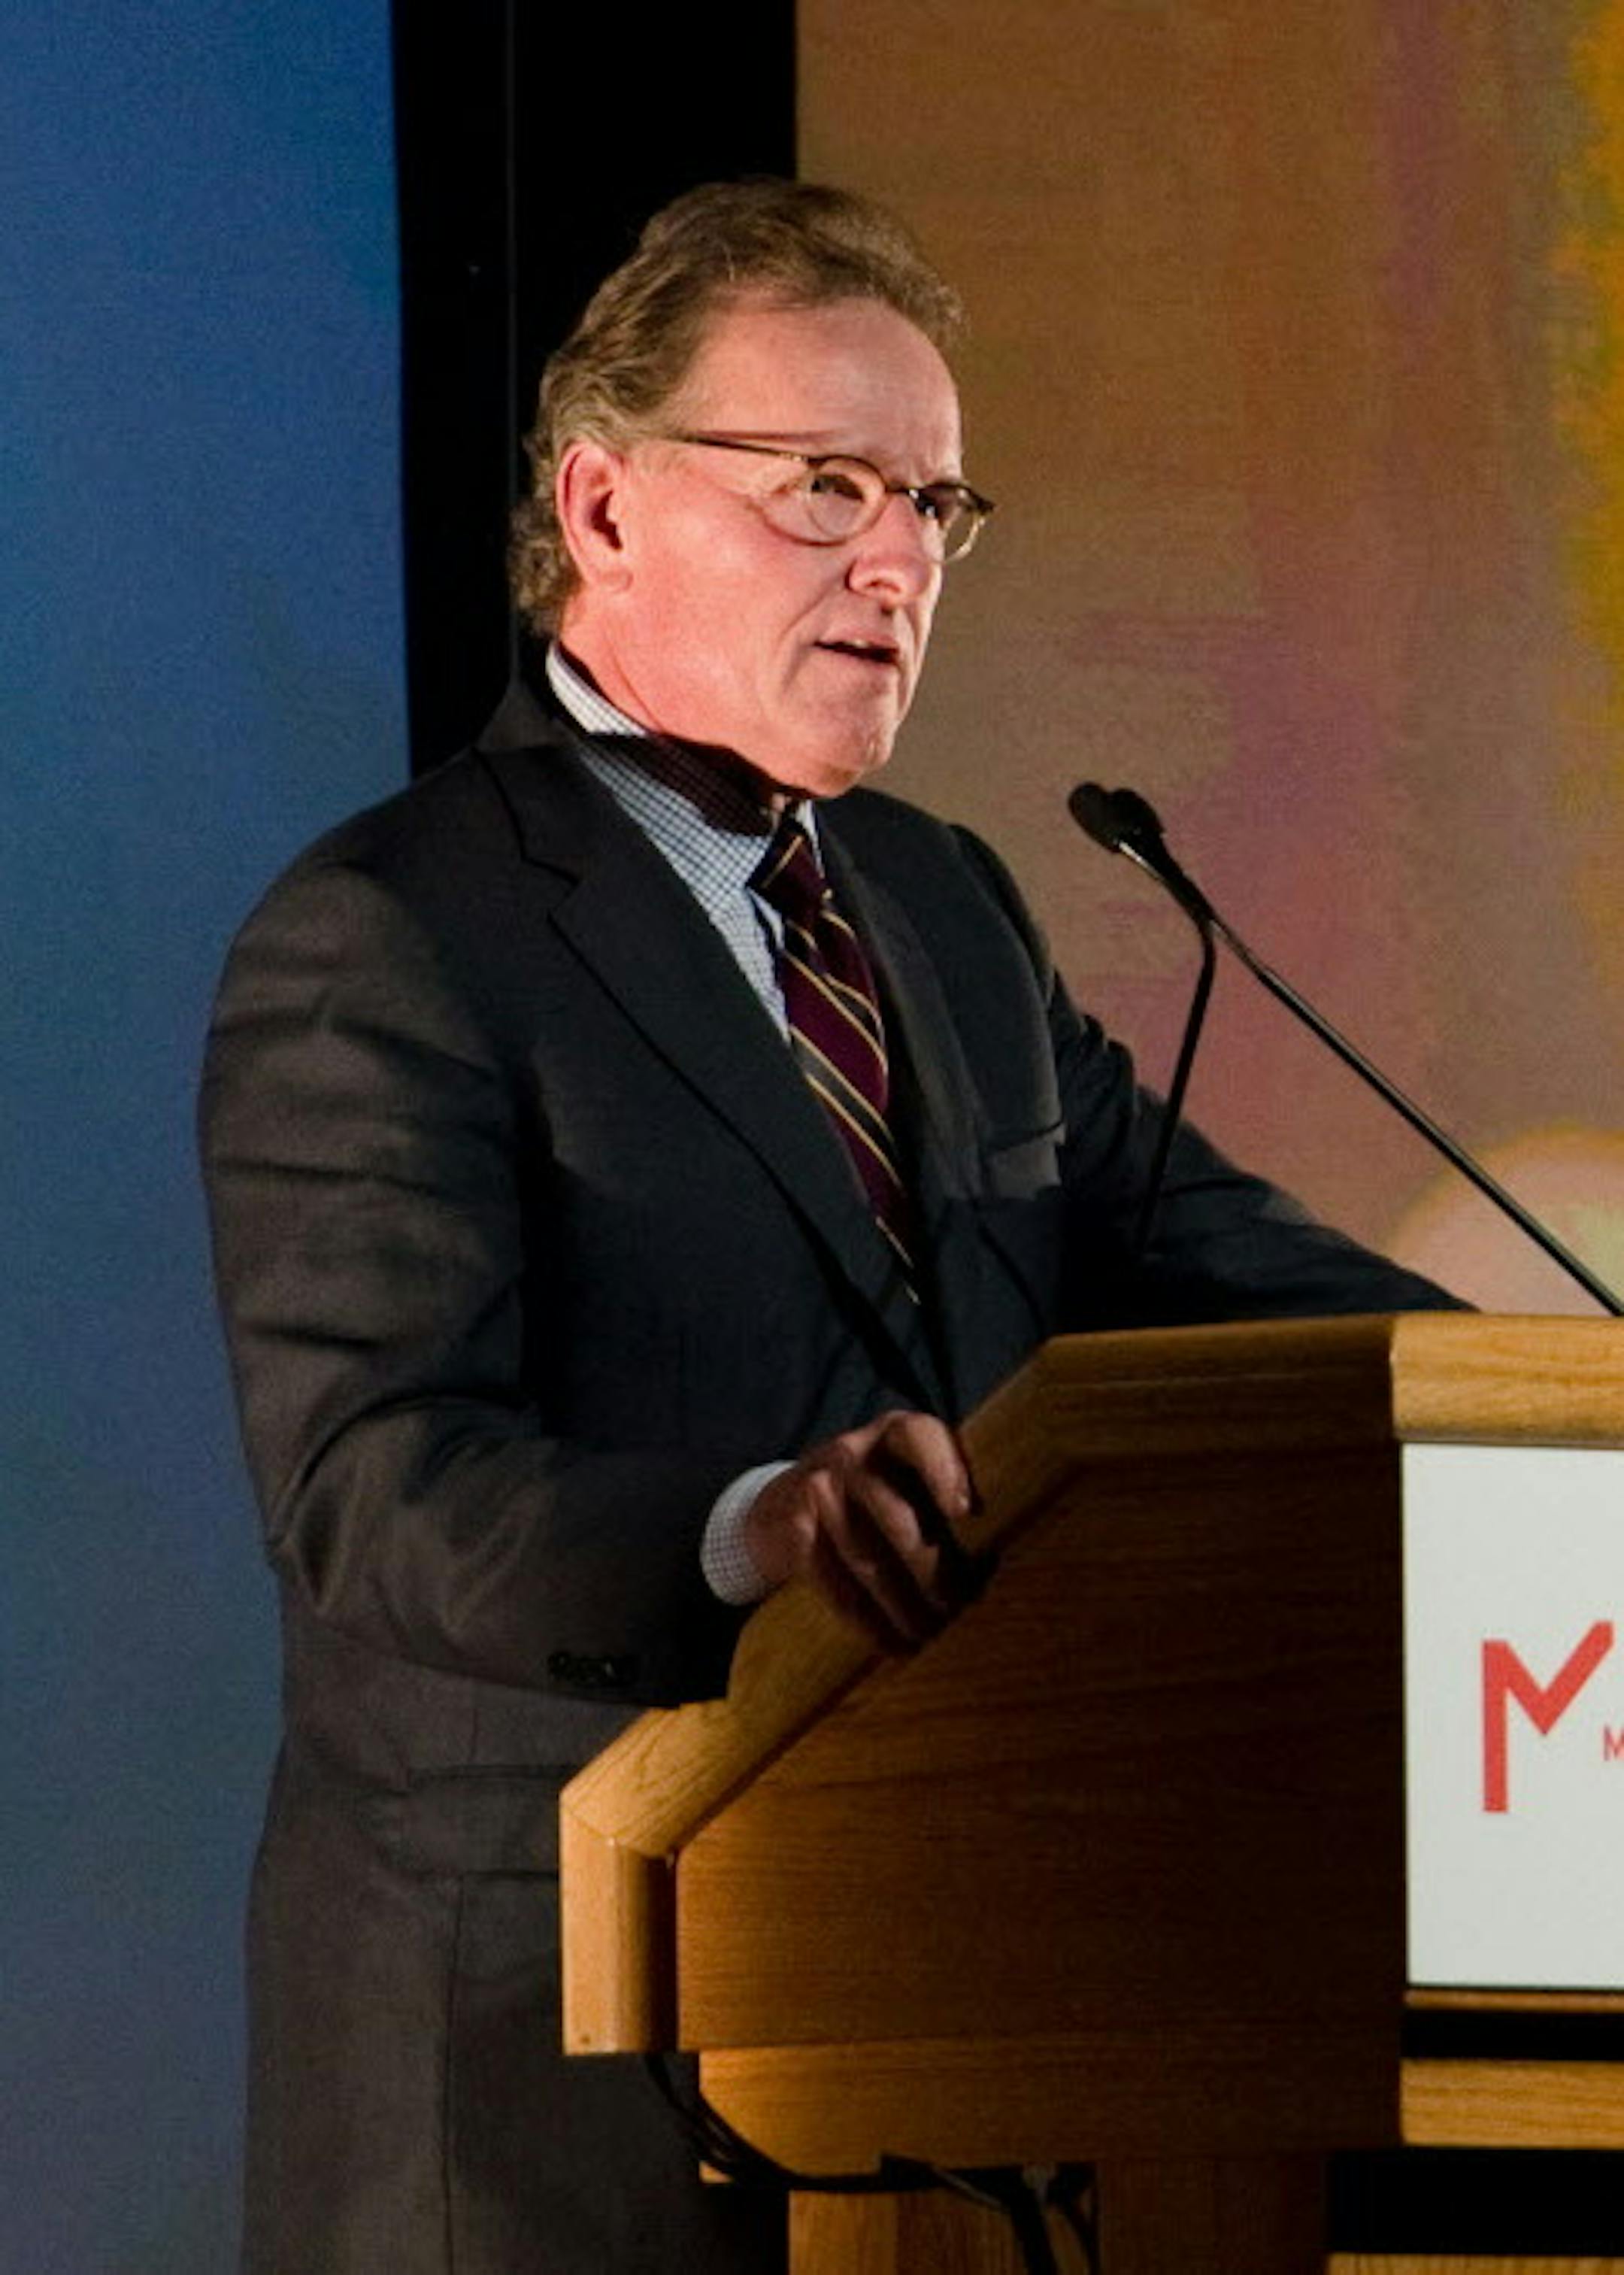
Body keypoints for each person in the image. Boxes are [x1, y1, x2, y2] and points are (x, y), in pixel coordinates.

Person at [201, 178, 1459, 2273]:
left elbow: (1240, 1279)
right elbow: (377, 1485)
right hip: (540, 2086)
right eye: (824, 487)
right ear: (600, 509)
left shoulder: (944, 906)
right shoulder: (399, 930)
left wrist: (1570, 1411)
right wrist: (752, 1522)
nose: (896, 561)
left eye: (935, 509)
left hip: (941, 2048)